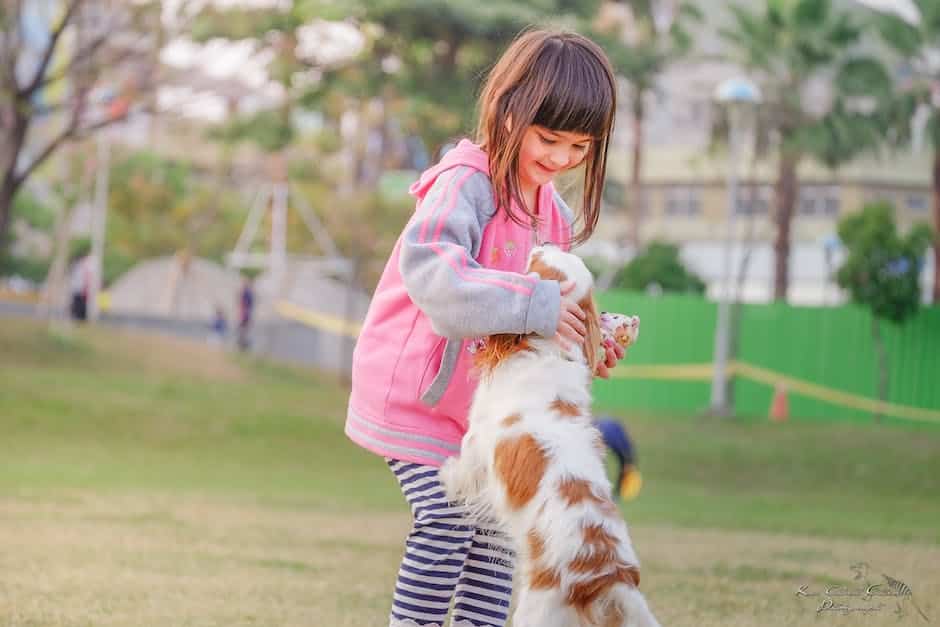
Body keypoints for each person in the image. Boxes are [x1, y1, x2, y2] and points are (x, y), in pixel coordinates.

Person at [345, 29, 624, 627]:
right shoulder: (464, 185)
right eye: (549, 139)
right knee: (446, 518)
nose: (561, 159)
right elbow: (437, 279)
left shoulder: (553, 212)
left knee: (499, 533)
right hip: (415, 396)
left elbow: (544, 311)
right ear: (507, 110)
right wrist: (541, 304)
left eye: (580, 147)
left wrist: (587, 338)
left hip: (486, 409)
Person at [594, 416, 643, 501]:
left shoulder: (614, 437)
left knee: (626, 466)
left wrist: (628, 463)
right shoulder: (597, 433)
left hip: (614, 437)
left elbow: (624, 452)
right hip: (605, 432)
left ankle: (616, 494)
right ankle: (610, 494)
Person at [237, 276, 254, 351]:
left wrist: (244, 313)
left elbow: (246, 304)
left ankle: (243, 345)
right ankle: (242, 344)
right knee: (243, 330)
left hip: (245, 314)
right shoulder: (247, 292)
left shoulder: (247, 292)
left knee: (244, 330)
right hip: (245, 314)